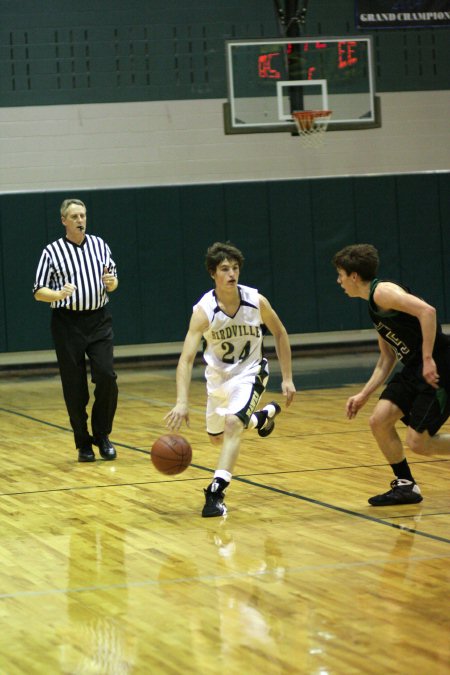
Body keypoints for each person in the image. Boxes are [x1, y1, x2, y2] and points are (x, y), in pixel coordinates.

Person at [165, 241, 296, 517]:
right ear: (213, 273)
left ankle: (216, 492)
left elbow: (281, 333)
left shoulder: (256, 302)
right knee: (218, 438)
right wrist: (181, 401)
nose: (231, 274)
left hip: (250, 373)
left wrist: (287, 378)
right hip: (218, 380)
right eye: (225, 269)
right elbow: (186, 359)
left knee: (234, 423)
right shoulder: (204, 311)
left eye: (235, 268)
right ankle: (263, 417)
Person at [332, 243, 450, 506]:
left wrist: (429, 358)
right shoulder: (373, 306)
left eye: (341, 274)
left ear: (353, 275)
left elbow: (427, 311)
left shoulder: (383, 292)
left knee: (419, 443)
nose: (339, 281)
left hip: (440, 365)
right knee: (379, 420)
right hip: (414, 368)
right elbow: (387, 358)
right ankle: (406, 485)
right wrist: (364, 394)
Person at [33, 198, 119, 463]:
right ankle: (83, 442)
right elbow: (38, 291)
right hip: (67, 323)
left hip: (98, 320)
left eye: (82, 215)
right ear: (64, 221)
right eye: (74, 217)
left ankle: (102, 435)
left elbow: (113, 282)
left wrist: (112, 282)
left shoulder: (100, 245)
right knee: (75, 387)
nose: (80, 220)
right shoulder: (52, 251)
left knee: (106, 377)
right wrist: (58, 294)